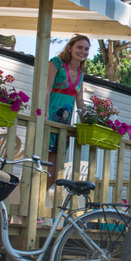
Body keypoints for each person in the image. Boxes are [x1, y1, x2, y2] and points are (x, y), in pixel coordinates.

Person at [46, 34, 90, 186]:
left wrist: (88, 122)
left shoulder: (81, 74)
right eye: (79, 47)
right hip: (49, 120)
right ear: (70, 48)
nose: (83, 51)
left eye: (86, 49)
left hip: (64, 125)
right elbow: (46, 89)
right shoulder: (56, 63)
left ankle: (39, 197)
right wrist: (44, 114)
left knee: (55, 171)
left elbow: (80, 101)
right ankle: (27, 199)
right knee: (40, 166)